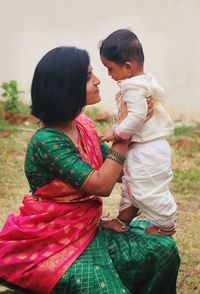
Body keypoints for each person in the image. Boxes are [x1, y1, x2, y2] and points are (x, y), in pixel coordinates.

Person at [0, 46, 180, 294]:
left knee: (162, 249)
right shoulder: (47, 141)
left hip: (89, 228)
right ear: (65, 87)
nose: (97, 81)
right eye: (87, 76)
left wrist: (142, 131)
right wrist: (125, 133)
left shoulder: (83, 124)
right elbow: (102, 185)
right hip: (52, 243)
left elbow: (116, 172)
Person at [99, 29, 177, 235]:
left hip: (147, 150)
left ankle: (166, 223)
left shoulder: (132, 87)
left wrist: (115, 133)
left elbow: (137, 116)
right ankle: (122, 221)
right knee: (130, 186)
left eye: (109, 68)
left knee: (146, 190)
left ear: (127, 67)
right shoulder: (143, 81)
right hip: (145, 148)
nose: (108, 74)